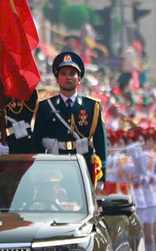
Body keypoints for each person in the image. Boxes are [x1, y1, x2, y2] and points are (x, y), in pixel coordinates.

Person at [36, 51, 107, 185]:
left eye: (72, 74)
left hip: (83, 164)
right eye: (63, 74)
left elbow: (100, 143)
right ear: (57, 79)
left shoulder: (92, 106)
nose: (68, 77)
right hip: (54, 165)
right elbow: (38, 141)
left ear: (79, 79)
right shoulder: (45, 106)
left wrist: (102, 176)